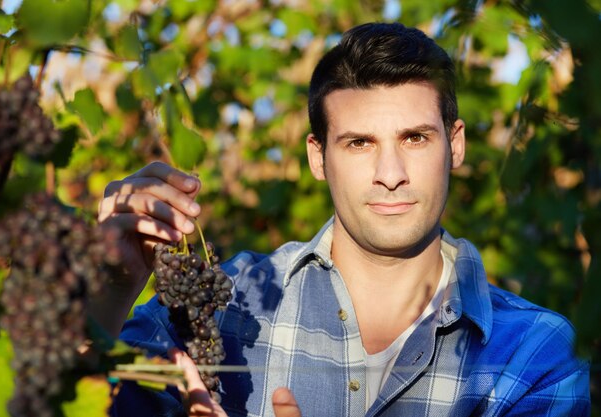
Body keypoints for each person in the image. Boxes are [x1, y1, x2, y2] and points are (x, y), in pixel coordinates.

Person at [94, 22, 591, 416]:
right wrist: (111, 289)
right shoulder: (223, 305)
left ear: (454, 144)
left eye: (415, 138)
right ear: (318, 156)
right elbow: (77, 396)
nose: (390, 174)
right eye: (359, 143)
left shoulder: (535, 356)